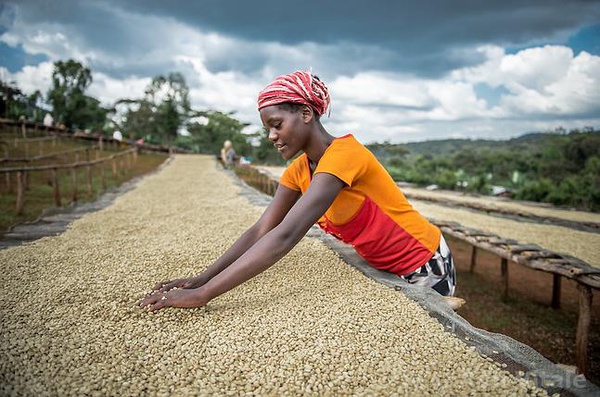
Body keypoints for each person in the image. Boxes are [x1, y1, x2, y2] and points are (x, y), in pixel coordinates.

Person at [140, 70, 456, 312]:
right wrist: (201, 278)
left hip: (423, 264)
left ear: (305, 113)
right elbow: (263, 229)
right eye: (268, 128)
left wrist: (202, 296)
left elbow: (286, 235)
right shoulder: (300, 169)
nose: (272, 135)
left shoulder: (345, 156)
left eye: (277, 124)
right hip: (383, 265)